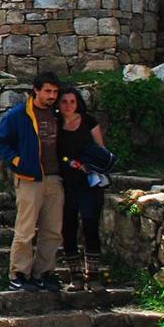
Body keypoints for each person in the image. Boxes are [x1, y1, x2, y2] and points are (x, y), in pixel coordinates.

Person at [0, 71, 64, 291]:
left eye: (55, 92)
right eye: (48, 91)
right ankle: (18, 273)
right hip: (29, 178)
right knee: (25, 230)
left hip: (54, 178)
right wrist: (17, 160)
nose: (52, 95)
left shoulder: (58, 115)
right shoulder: (19, 115)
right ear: (36, 90)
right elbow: (0, 141)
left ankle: (43, 272)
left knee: (52, 230)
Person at [56, 87, 107, 292]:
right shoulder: (56, 125)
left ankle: (93, 276)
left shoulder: (88, 121)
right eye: (64, 102)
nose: (69, 106)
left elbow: (100, 150)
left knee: (90, 225)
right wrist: (72, 163)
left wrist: (89, 165)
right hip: (66, 182)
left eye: (72, 101)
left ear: (78, 103)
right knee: (68, 228)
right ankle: (75, 276)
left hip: (89, 182)